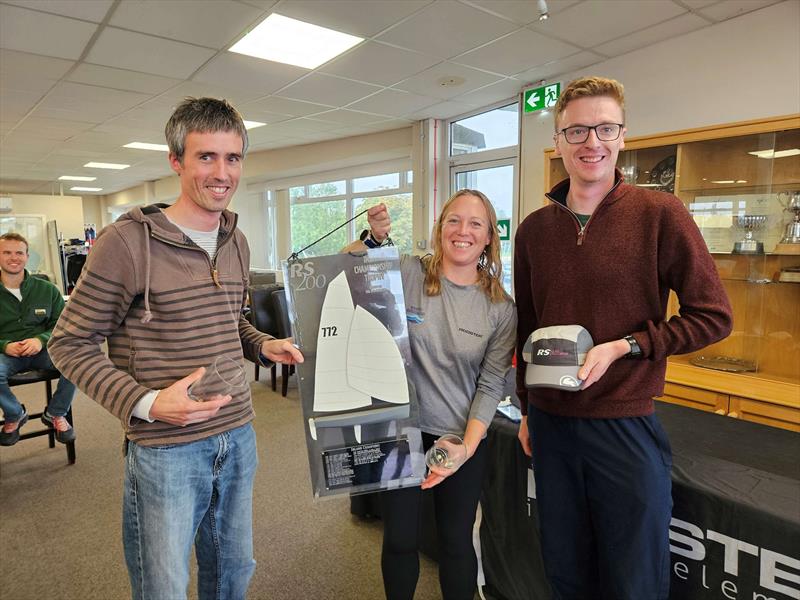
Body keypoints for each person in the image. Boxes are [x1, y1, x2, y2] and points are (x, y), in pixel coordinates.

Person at [48, 97, 303, 600]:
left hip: (239, 436)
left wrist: (263, 345)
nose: (221, 173)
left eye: (232, 158)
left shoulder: (237, 240)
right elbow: (69, 344)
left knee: (234, 571)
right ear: (176, 160)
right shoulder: (126, 243)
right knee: (163, 584)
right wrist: (146, 403)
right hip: (166, 448)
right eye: (206, 156)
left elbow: (231, 323)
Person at [514, 76, 733, 600]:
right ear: (560, 141)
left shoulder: (660, 214)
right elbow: (528, 328)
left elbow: (713, 316)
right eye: (578, 130)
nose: (592, 141)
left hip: (624, 426)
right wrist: (525, 408)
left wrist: (626, 345)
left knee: (634, 579)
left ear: (623, 136)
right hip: (551, 426)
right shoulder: (535, 230)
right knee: (565, 572)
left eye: (605, 128)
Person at [363, 190, 516, 600]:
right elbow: (352, 270)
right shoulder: (410, 273)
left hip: (459, 437)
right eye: (453, 220)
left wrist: (465, 448)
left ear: (488, 238)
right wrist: (374, 238)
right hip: (401, 433)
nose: (462, 231)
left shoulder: (500, 307)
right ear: (440, 227)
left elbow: (491, 383)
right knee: (399, 539)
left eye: (475, 224)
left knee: (454, 542)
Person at [0, 232, 76, 446]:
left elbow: (63, 325)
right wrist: (5, 345)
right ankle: (15, 414)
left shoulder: (47, 290)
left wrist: (40, 340)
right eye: (7, 252)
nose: (14, 258)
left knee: (76, 362)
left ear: (27, 256)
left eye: (19, 253)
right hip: (5, 356)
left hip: (43, 351)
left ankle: (55, 412)